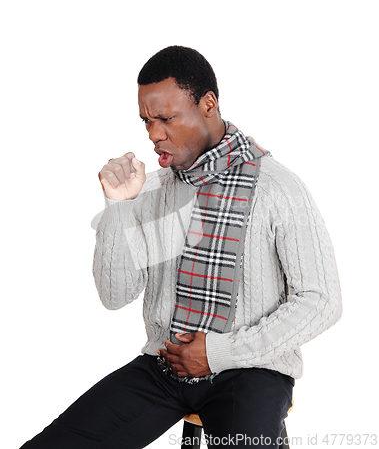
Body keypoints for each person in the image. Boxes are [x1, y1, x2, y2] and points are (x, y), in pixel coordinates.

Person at [21, 46, 342, 448]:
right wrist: (118, 207)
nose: (154, 134)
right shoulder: (154, 190)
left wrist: (220, 353)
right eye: (147, 121)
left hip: (252, 369)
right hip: (165, 365)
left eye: (166, 118)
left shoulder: (278, 188)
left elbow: (320, 301)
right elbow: (115, 295)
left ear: (208, 105)